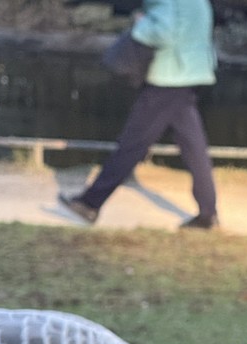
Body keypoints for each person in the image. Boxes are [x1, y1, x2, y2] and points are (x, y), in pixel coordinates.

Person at [59, 0, 218, 230]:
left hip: (168, 77)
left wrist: (140, 24)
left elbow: (162, 32)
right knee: (194, 148)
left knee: (132, 144)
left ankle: (89, 204)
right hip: (192, 73)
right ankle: (208, 214)